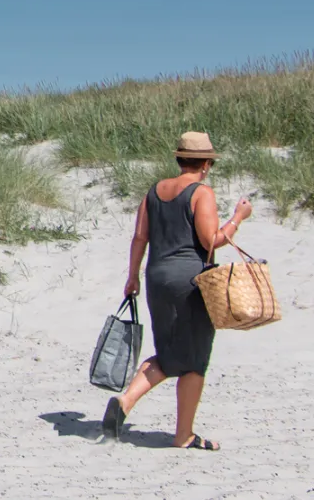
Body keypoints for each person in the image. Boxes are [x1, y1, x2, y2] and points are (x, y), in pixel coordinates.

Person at [102, 131, 253, 451]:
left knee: (169, 353)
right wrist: (238, 218)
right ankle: (184, 434)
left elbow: (139, 237)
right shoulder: (201, 192)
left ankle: (124, 400)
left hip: (156, 277)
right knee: (195, 359)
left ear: (179, 158)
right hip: (190, 281)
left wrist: (132, 277)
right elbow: (212, 239)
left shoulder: (154, 191)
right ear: (207, 164)